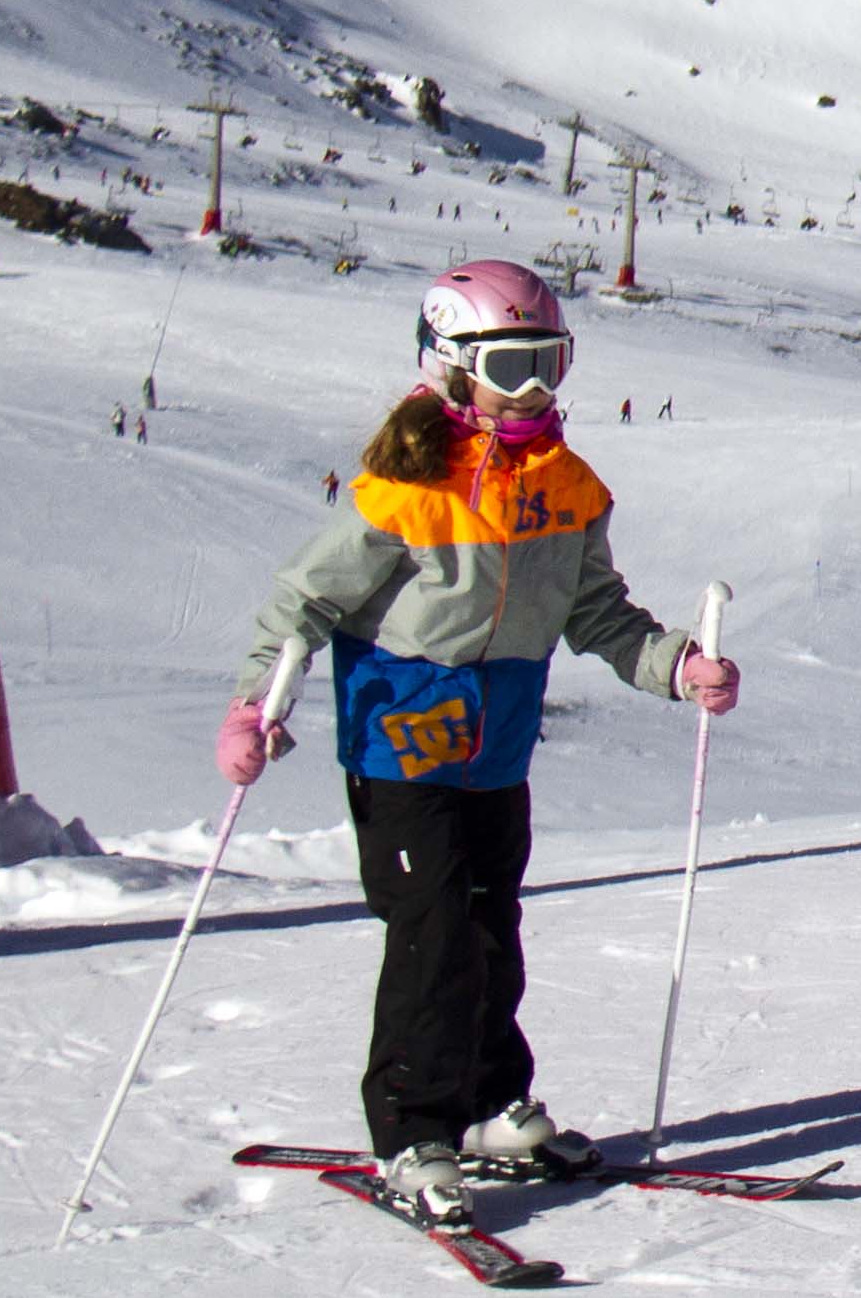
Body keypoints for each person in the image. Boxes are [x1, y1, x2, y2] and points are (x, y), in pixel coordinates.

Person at [218, 262, 734, 1224]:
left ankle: (493, 1105)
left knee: (493, 923)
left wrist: (675, 667)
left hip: (496, 745)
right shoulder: (410, 485)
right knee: (434, 929)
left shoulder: (569, 487)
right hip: (401, 743)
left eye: (551, 362)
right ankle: (413, 1129)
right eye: (512, 366)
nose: (535, 388)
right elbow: (306, 598)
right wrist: (257, 704)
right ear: (451, 367)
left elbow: (598, 613)